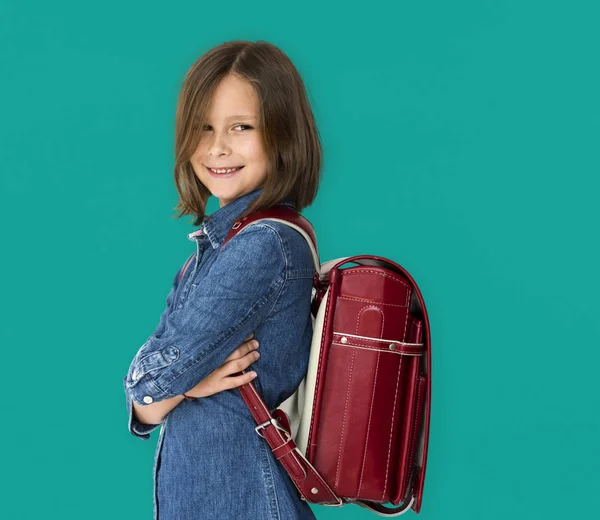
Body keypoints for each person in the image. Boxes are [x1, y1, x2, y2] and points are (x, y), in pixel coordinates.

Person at [122, 40, 322, 520]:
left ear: (284, 135)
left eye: (242, 127)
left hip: (243, 502)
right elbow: (146, 406)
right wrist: (181, 384)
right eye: (203, 127)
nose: (216, 147)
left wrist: (175, 385)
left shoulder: (264, 245)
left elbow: (150, 385)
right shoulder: (214, 249)